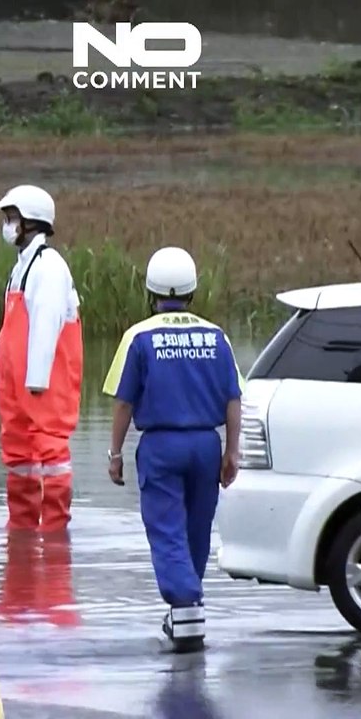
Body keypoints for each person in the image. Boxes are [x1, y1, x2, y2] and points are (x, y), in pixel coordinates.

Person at [101, 246, 244, 652]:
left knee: (166, 529)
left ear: (150, 293)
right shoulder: (217, 337)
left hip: (161, 446)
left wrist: (115, 453)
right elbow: (234, 399)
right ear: (193, 292)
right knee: (196, 529)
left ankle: (184, 606)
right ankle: (190, 603)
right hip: (205, 444)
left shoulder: (140, 337)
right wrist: (231, 453)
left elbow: (124, 401)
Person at [0, 185, 83, 532]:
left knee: (50, 450)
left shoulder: (49, 266)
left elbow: (45, 323)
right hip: (17, 383)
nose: (7, 225)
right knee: (18, 452)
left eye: (12, 218)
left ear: (31, 223)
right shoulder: (21, 267)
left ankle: (55, 530)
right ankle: (23, 528)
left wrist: (36, 380)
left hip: (43, 381)